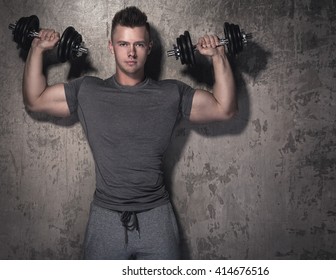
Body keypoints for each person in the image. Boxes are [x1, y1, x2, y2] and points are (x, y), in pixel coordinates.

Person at [23, 6, 236, 259]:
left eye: (139, 45)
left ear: (150, 47)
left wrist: (218, 56)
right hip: (105, 219)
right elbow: (35, 100)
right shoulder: (88, 91)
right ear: (111, 47)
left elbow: (224, 109)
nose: (131, 53)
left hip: (157, 218)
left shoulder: (171, 94)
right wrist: (36, 49)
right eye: (123, 44)